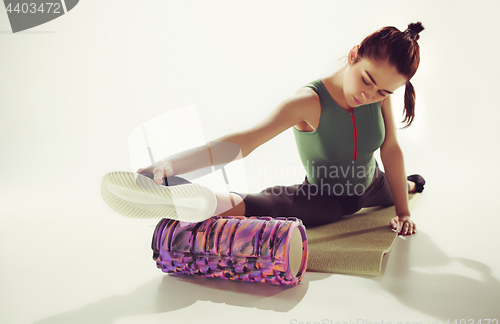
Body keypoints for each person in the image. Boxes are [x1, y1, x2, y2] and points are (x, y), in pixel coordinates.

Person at [102, 22, 426, 236]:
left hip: (373, 184)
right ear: (355, 55)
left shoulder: (379, 96)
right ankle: (196, 199)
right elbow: (244, 141)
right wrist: (169, 165)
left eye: (383, 92)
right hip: (326, 198)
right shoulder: (308, 102)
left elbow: (391, 150)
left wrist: (402, 210)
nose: (369, 96)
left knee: (407, 187)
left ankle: (413, 185)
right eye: (367, 80)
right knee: (274, 206)